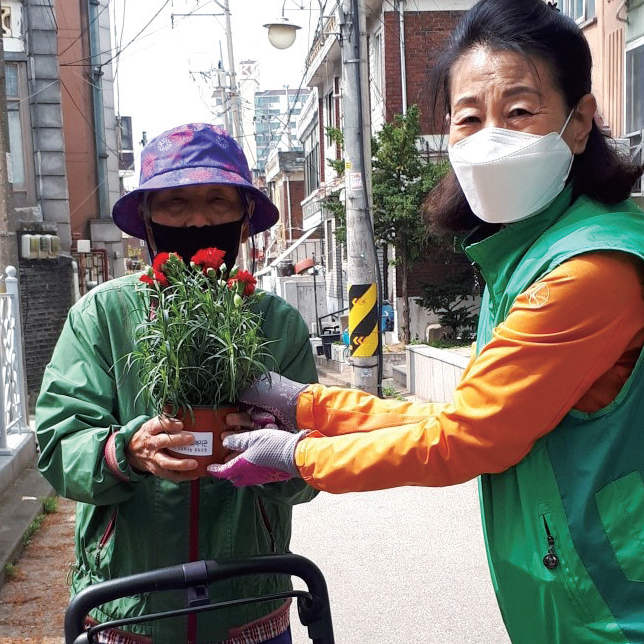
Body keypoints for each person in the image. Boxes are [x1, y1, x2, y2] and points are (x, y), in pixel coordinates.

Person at [209, 1, 644, 642]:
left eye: (520, 111)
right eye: (470, 117)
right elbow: (470, 411)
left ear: (579, 122)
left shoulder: (587, 272)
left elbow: (464, 439)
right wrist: (305, 404)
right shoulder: (525, 254)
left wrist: (301, 454)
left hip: (614, 608)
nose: (492, 136)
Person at [36, 123, 318, 644]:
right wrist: (128, 451)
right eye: (174, 203)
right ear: (145, 217)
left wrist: (282, 454)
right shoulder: (102, 316)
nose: (197, 219)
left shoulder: (278, 324)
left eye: (217, 200)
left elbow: (313, 467)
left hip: (248, 605)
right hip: (128, 608)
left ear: (245, 215)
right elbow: (58, 446)